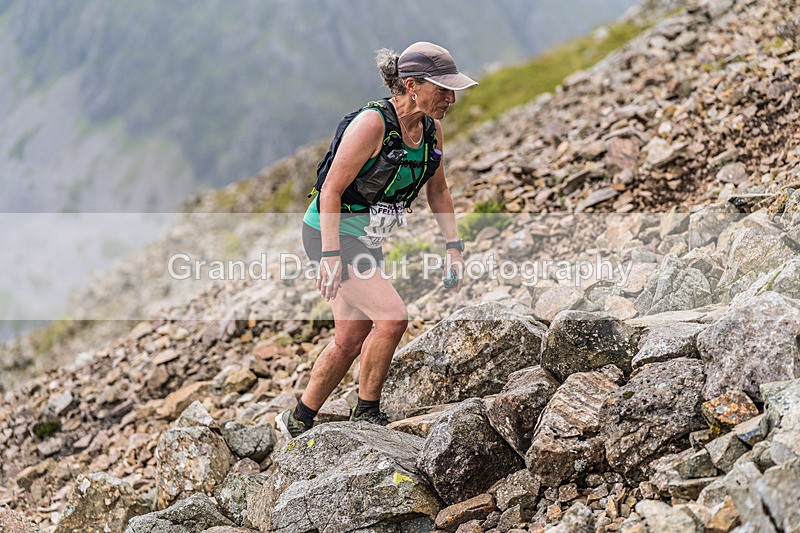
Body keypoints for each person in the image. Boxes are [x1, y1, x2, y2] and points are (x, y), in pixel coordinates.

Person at [276, 42, 477, 439]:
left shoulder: (431, 129)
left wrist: (453, 246)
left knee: (350, 338)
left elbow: (439, 191)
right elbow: (330, 190)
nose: (451, 98)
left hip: (367, 237)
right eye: (443, 88)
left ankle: (297, 420)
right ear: (412, 84)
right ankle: (366, 414)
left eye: (453, 89)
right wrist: (331, 256)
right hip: (329, 233)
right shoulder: (372, 124)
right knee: (392, 317)